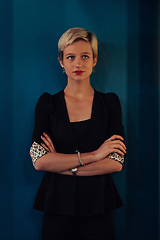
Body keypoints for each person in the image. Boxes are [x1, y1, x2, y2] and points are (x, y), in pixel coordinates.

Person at [30, 27, 127, 240]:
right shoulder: (48, 103)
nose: (78, 63)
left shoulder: (109, 103)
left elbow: (116, 161)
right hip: (56, 207)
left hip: (99, 208)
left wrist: (64, 167)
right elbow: (39, 160)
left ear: (94, 60)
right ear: (61, 61)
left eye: (85, 56)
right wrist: (94, 155)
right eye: (70, 57)